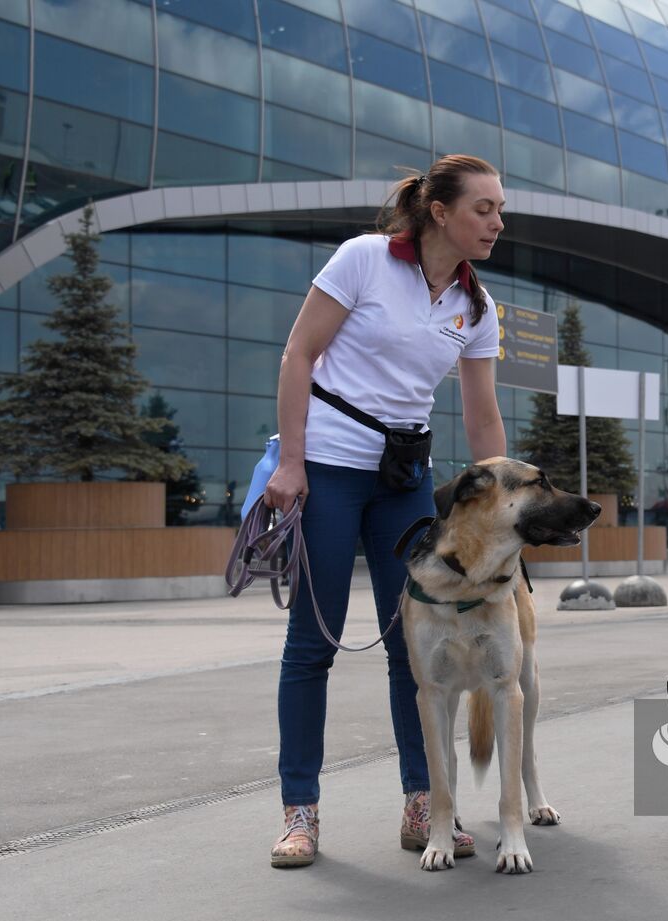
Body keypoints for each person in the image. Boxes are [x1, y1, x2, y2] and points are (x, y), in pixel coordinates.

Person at [261, 155, 508, 868]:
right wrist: (291, 461)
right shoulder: (365, 260)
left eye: (500, 211)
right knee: (314, 644)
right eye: (483, 208)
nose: (497, 222)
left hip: (403, 479)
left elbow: (483, 419)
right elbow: (299, 353)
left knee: (419, 648)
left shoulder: (477, 306)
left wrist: (498, 515)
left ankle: (425, 805)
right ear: (440, 212)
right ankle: (299, 813)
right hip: (329, 470)